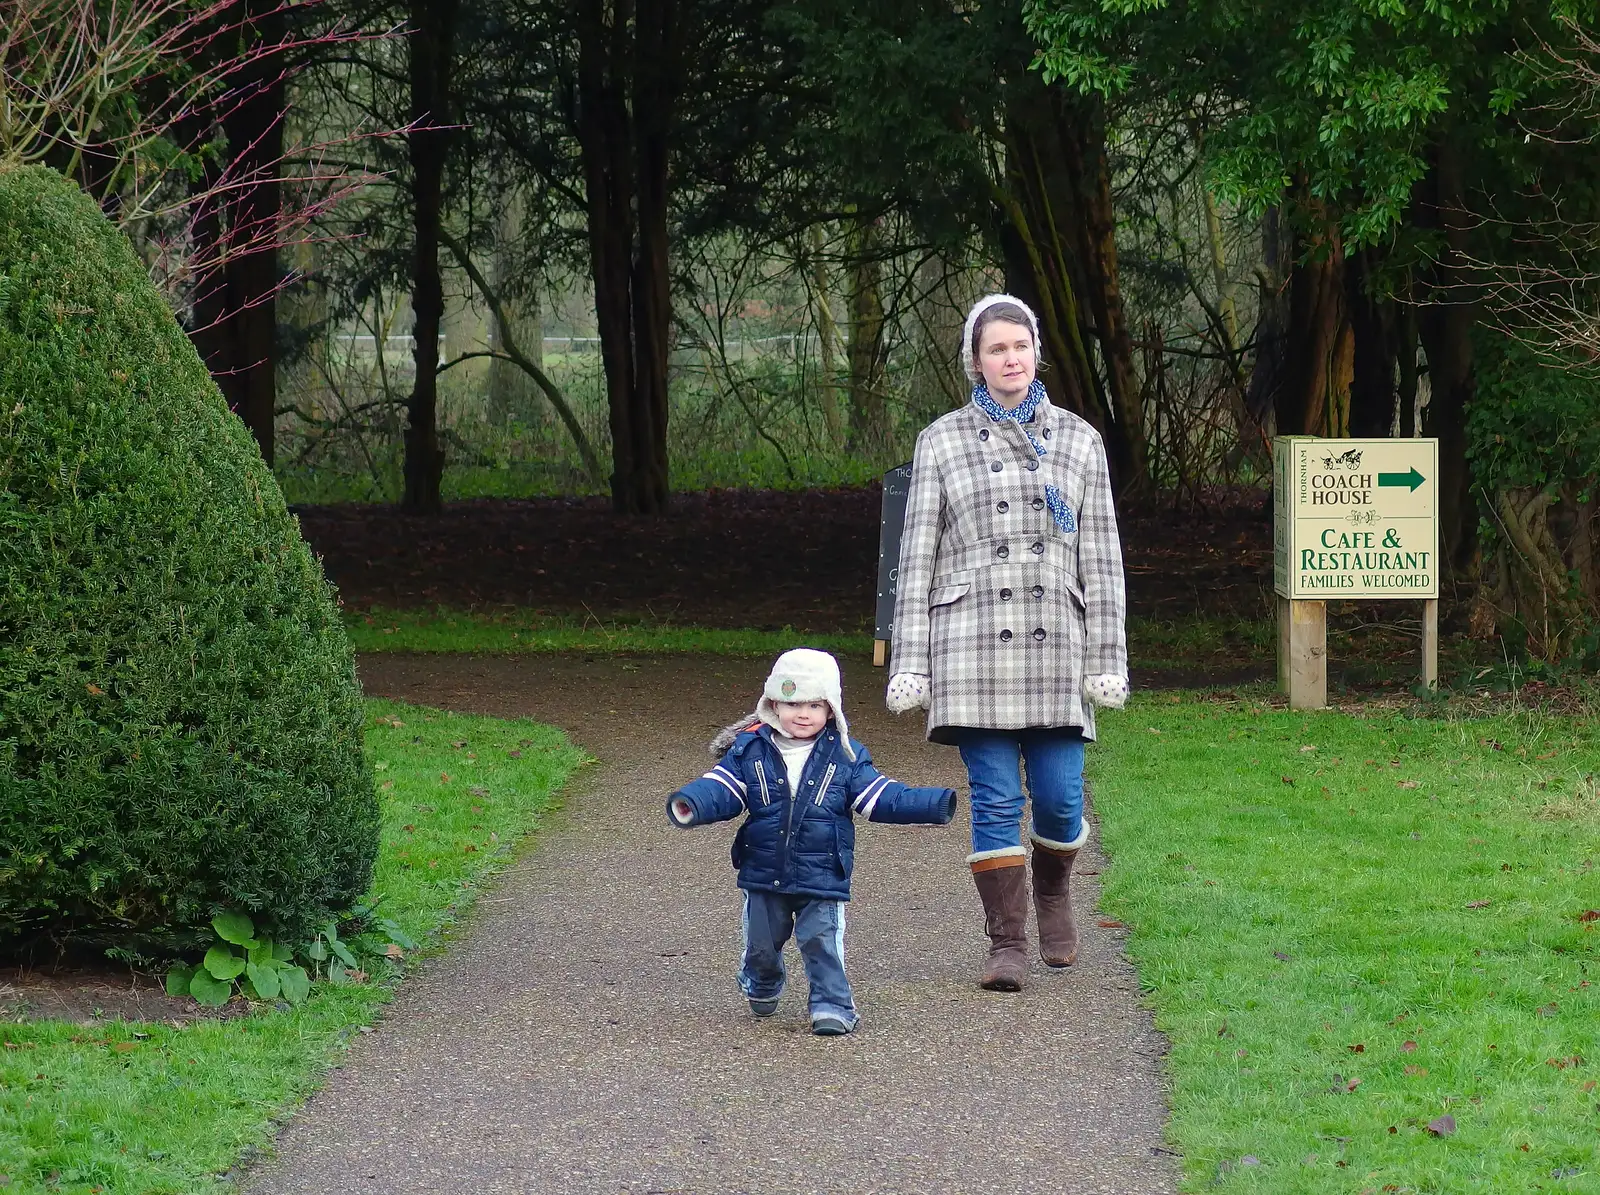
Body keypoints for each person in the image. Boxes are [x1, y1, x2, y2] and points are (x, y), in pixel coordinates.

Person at [885, 293, 1129, 992]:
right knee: (994, 797)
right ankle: (1008, 944)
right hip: (970, 645)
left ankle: (1053, 889)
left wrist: (1108, 660)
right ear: (974, 362)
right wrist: (910, 664)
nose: (1010, 358)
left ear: (1037, 352)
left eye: (1019, 346)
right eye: (995, 349)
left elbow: (1103, 558)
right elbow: (917, 561)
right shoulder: (941, 440)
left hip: (1056, 645)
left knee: (1058, 798)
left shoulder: (1080, 439)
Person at [667, 647, 957, 1036]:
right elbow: (721, 788)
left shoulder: (845, 756)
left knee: (822, 942)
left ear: (831, 709)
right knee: (761, 946)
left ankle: (832, 1005)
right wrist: (692, 803)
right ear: (772, 705)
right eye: (793, 703)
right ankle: (763, 981)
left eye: (815, 705)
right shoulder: (749, 751)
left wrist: (930, 804)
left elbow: (879, 796)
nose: (803, 714)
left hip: (822, 872)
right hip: (762, 870)